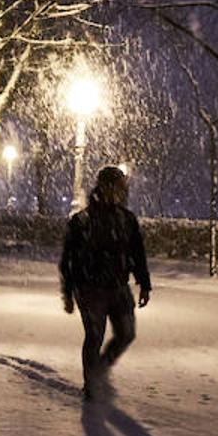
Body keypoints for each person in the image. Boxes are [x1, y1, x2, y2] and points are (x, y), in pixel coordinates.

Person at [59, 166, 151, 400]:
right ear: (102, 187)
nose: (117, 192)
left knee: (127, 333)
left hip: (118, 287)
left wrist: (144, 283)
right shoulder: (82, 221)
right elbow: (68, 260)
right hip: (90, 289)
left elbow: (137, 253)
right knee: (94, 336)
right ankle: (91, 385)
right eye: (113, 186)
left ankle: (99, 369)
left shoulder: (127, 220)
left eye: (120, 188)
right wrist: (68, 293)